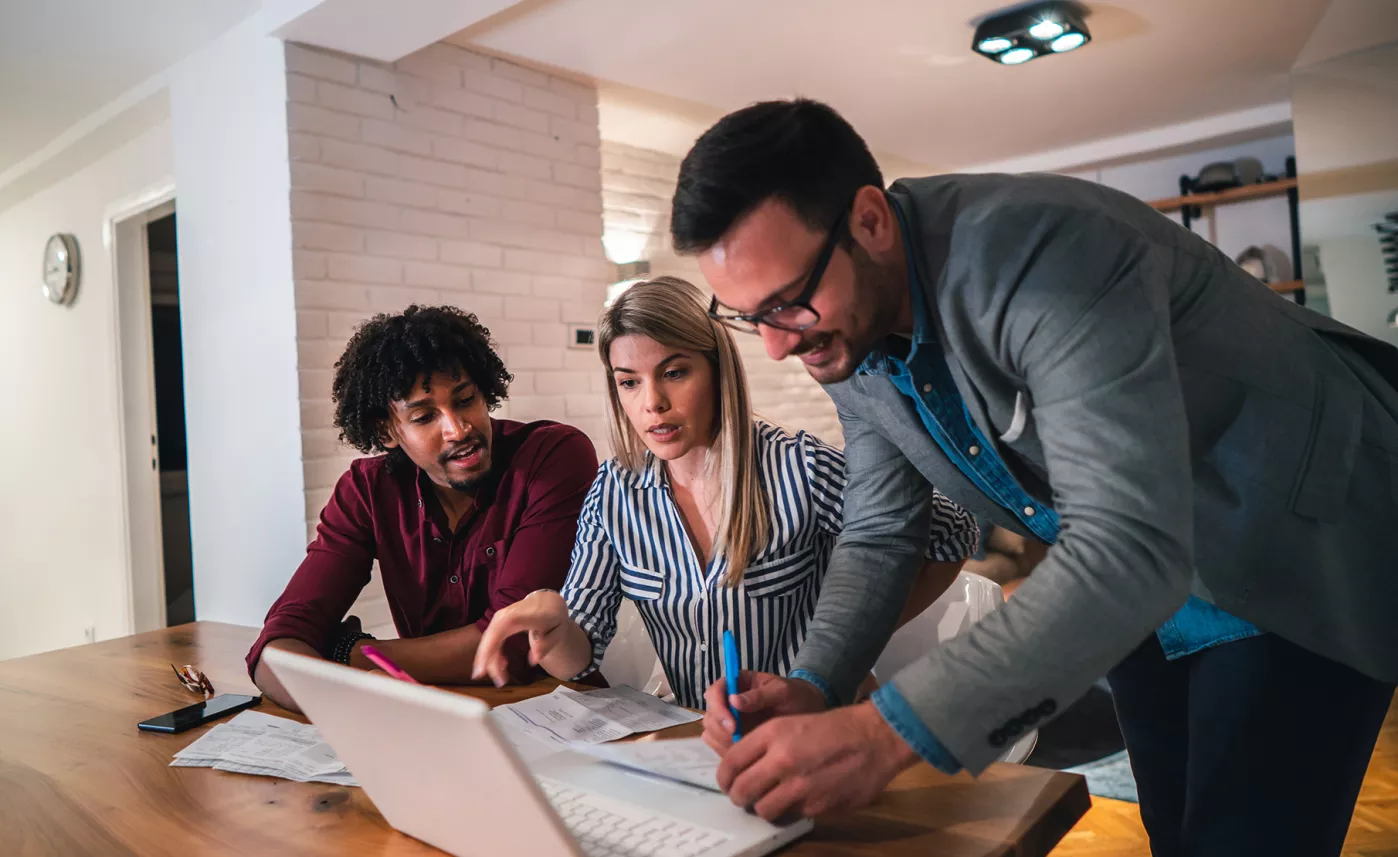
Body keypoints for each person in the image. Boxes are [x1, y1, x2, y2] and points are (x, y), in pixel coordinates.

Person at [670, 98, 1398, 855]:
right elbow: (884, 526)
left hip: (1290, 528)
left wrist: (885, 733)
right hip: (1145, 592)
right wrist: (816, 683)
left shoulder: (1046, 255)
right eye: (748, 315)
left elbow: (1127, 546)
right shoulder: (838, 328)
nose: (776, 347)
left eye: (787, 303)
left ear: (870, 220)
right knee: (1175, 829)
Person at [470, 277, 978, 709]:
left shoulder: (798, 467)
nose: (653, 404)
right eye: (629, 382)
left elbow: (953, 532)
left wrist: (850, 643)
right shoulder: (614, 493)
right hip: (694, 740)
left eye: (674, 372)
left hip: (815, 726)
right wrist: (555, 631)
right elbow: (581, 661)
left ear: (717, 370)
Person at [247, 305, 598, 712]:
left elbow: (512, 643)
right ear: (387, 431)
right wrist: (346, 703)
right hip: (435, 718)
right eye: (425, 416)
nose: (458, 429)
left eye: (466, 400)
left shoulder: (551, 457)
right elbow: (278, 644)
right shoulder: (367, 490)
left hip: (561, 715)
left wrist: (355, 654)